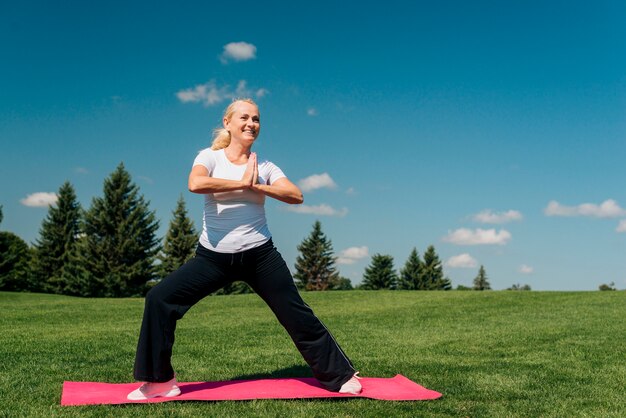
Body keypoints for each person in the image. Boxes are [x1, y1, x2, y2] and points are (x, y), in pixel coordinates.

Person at [127, 98, 361, 400]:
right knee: (159, 299)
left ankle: (339, 375)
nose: (251, 123)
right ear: (228, 122)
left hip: (260, 256)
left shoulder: (264, 166)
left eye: (256, 119)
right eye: (244, 117)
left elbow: (296, 194)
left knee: (296, 313)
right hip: (213, 257)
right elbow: (195, 183)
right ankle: (160, 381)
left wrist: (257, 186)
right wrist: (240, 182)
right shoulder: (210, 157)